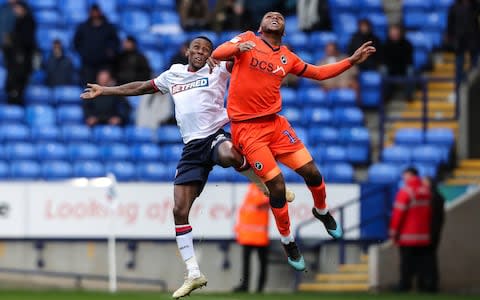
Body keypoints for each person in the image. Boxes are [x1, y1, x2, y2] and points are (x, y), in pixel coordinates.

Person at [81, 36, 293, 299]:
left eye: (206, 49)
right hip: (191, 148)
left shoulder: (218, 68)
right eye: (197, 48)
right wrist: (106, 90)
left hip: (215, 133)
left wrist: (250, 53)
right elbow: (143, 87)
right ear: (188, 50)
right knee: (179, 210)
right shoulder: (174, 74)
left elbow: (249, 64)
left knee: (228, 154)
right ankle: (193, 273)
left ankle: (261, 182)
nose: (201, 52)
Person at [211, 11, 375, 271]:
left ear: (284, 30)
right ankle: (288, 242)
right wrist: (235, 46)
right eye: (269, 15)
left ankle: (321, 211)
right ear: (260, 25)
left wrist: (351, 61)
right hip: (247, 130)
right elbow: (217, 53)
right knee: (277, 187)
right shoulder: (247, 40)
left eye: (279, 17)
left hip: (276, 126)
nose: (275, 16)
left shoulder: (287, 57)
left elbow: (319, 73)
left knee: (313, 173)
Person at [389, 167, 436, 292]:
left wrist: (393, 233)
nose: (404, 178)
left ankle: (405, 285)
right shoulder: (426, 191)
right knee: (422, 263)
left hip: (407, 236)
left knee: (406, 263)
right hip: (424, 235)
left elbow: (398, 214)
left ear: (410, 175)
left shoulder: (405, 192)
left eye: (405, 175)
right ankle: (423, 286)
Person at [233, 183, 270, 293]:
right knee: (247, 262)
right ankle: (245, 285)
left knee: (262, 262)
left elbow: (263, 202)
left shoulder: (264, 187)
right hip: (248, 234)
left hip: (259, 235)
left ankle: (260, 288)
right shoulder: (252, 187)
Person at [74, 4, 120, 84]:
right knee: (88, 86)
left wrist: (111, 51)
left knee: (104, 85)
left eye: (96, 11)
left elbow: (116, 42)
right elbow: (76, 42)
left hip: (104, 63)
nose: (95, 13)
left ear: (100, 12)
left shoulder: (108, 27)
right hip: (88, 63)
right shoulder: (83, 27)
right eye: (93, 11)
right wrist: (84, 52)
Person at [3, 1, 35, 106]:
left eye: (18, 8)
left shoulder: (28, 22)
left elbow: (26, 42)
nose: (15, 11)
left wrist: (13, 40)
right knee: (12, 87)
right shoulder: (17, 22)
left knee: (18, 87)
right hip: (15, 62)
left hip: (21, 63)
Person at [447, 0, 480, 90]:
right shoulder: (454, 7)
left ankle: (475, 90)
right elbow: (450, 25)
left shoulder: (475, 6)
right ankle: (458, 91)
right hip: (459, 42)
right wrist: (451, 39)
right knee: (459, 67)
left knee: (475, 68)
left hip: (474, 41)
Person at [423, 176, 446, 293]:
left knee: (429, 259)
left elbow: (434, 219)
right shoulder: (437, 197)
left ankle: (431, 285)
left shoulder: (433, 198)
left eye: (425, 182)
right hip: (433, 232)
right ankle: (430, 284)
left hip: (431, 233)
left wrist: (430, 233)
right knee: (429, 259)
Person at [381, 24, 414, 101]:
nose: (394, 34)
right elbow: (384, 60)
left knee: (410, 71)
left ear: (400, 33)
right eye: (392, 33)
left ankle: (408, 95)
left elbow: (409, 60)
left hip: (403, 68)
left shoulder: (407, 44)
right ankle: (386, 96)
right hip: (390, 69)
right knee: (383, 70)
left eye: (396, 32)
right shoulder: (385, 45)